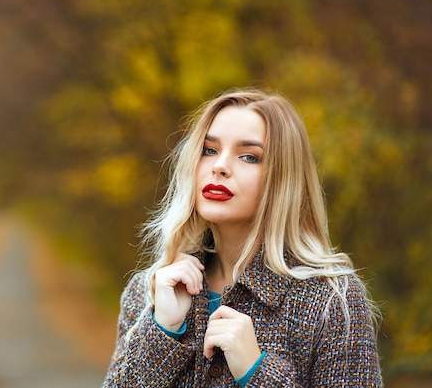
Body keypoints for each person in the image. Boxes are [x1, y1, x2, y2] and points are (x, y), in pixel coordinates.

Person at [102, 89, 383, 387]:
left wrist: (257, 371)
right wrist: (163, 330)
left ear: (283, 178)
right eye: (209, 150)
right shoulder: (150, 291)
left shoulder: (330, 299)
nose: (219, 166)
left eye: (249, 156)